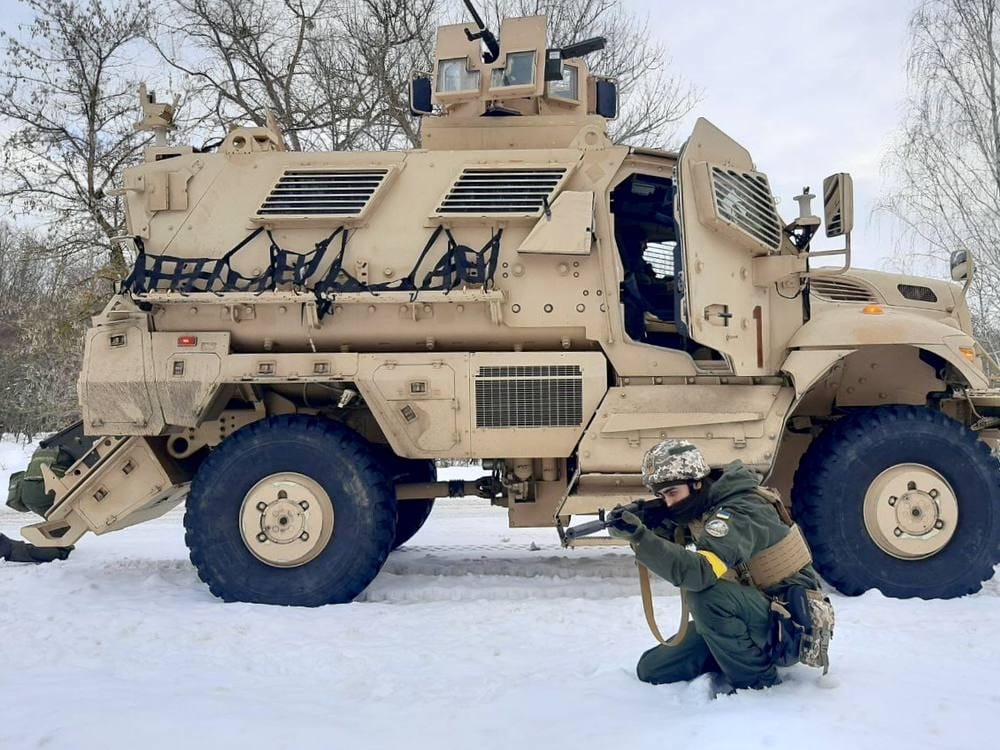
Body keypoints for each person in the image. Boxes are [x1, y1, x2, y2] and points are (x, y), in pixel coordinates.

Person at [607, 439, 825, 690]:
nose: (668, 503)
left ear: (697, 482)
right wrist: (654, 525)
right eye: (662, 496)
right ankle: (733, 651)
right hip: (757, 611)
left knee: (706, 596)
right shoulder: (705, 507)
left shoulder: (741, 509)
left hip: (792, 624)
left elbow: (698, 572)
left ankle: (758, 684)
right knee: (652, 669)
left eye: (672, 493)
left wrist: (640, 537)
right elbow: (678, 547)